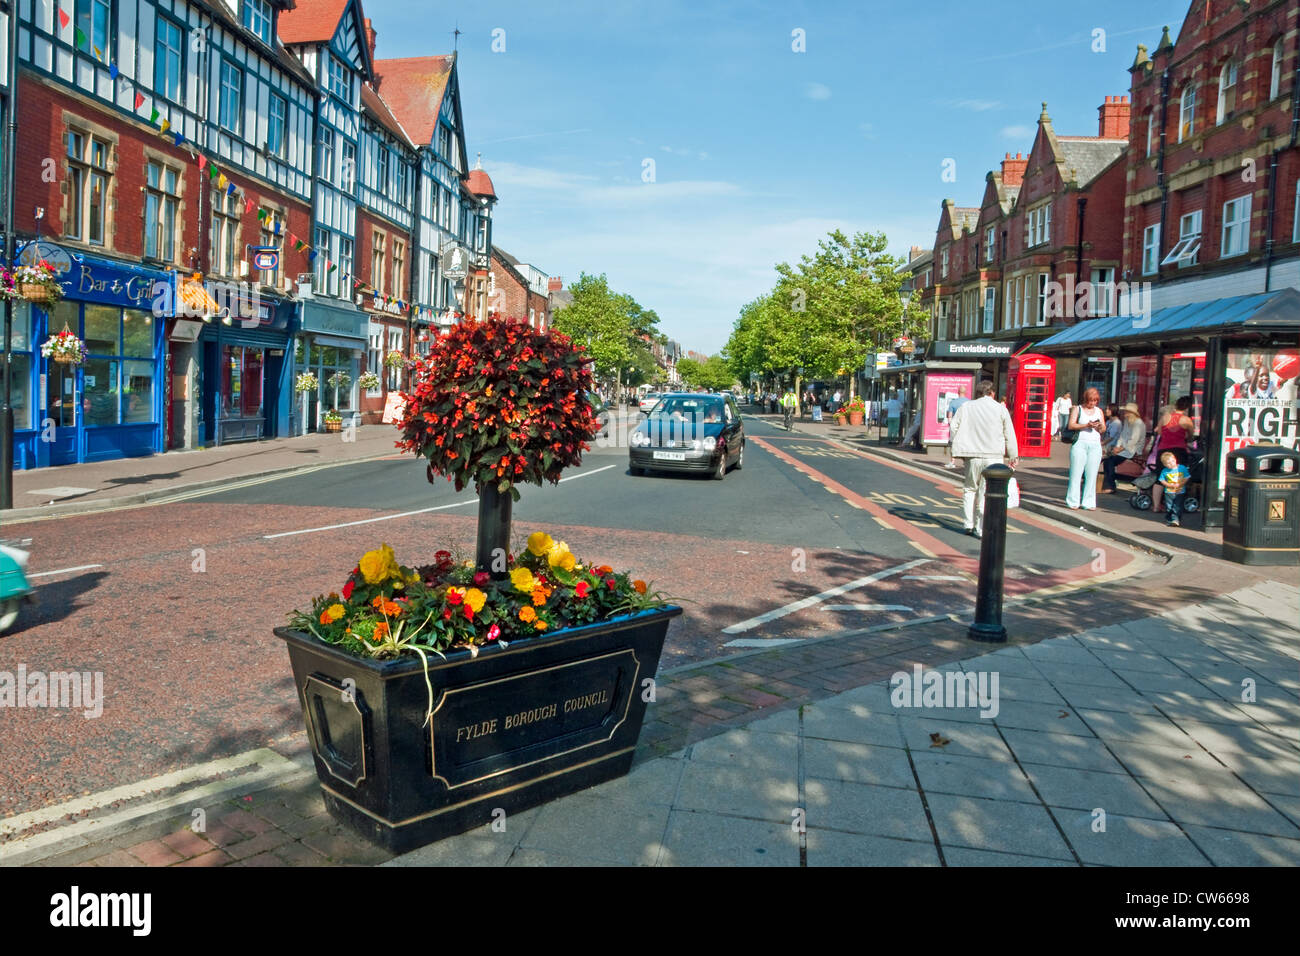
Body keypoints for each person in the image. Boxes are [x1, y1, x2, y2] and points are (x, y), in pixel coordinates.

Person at [949, 379, 1019, 539]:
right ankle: (980, 528)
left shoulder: (966, 407)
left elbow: (953, 427)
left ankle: (968, 523)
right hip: (993, 456)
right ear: (992, 393)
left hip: (972, 455)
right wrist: (1013, 455)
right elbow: (1009, 433)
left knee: (969, 489)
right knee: (985, 491)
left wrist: (957, 444)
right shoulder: (1000, 409)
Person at [1065, 387, 1105, 510]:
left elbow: (1103, 429)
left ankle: (1089, 502)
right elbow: (1071, 425)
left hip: (1095, 445)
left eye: (1095, 401)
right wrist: (1086, 425)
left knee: (1092, 475)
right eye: (1090, 401)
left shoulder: (1099, 411)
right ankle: (1073, 501)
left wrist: (1099, 426)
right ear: (1086, 399)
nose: (1092, 403)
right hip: (1080, 443)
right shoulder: (1078, 409)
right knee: (1076, 473)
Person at [1100, 403, 1146, 493]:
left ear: (1131, 413)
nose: (1124, 413)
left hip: (1132, 450)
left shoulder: (1138, 423)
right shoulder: (1127, 421)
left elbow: (1133, 441)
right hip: (1123, 449)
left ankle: (1111, 486)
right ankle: (1108, 484)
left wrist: (1119, 449)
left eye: (1126, 412)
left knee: (1110, 461)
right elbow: (1122, 436)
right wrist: (1117, 447)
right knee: (1107, 460)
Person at [1156, 449, 1191, 527]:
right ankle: (1170, 517)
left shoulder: (1182, 468)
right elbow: (1161, 480)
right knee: (1169, 506)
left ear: (1175, 459)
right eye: (1168, 463)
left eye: (1172, 461)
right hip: (1169, 491)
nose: (1171, 464)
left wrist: (1181, 484)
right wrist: (1168, 485)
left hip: (1180, 491)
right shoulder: (1165, 471)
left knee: (1177, 505)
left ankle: (1175, 519)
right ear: (1165, 465)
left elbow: (1187, 477)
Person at [945, 391, 970, 469]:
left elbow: (949, 416)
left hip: (955, 426)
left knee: (952, 443)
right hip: (966, 427)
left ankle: (952, 462)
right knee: (966, 444)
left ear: (958, 392)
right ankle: (966, 462)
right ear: (965, 392)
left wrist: (950, 425)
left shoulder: (953, 402)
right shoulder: (969, 402)